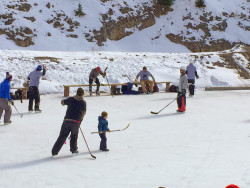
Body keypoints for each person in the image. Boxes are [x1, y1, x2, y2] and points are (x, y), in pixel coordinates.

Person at [52, 88, 86, 156]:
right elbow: (83, 112)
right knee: (74, 136)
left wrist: (67, 101)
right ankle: (73, 149)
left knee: (62, 136)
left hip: (67, 120)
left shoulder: (71, 99)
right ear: (82, 94)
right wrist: (80, 120)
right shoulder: (83, 102)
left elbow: (62, 102)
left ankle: (54, 151)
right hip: (76, 122)